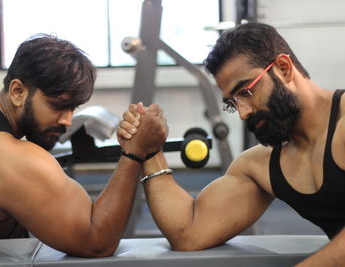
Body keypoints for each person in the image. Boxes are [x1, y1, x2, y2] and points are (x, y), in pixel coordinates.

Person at [119, 22, 345, 266]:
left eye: (246, 92)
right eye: (233, 103)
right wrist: (150, 150)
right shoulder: (260, 165)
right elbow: (190, 232)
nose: (243, 113)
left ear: (283, 68)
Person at [0, 34, 168, 257]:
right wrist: (134, 152)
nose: (67, 121)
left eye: (73, 108)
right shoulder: (10, 161)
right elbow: (97, 241)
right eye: (57, 106)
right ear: (17, 91)